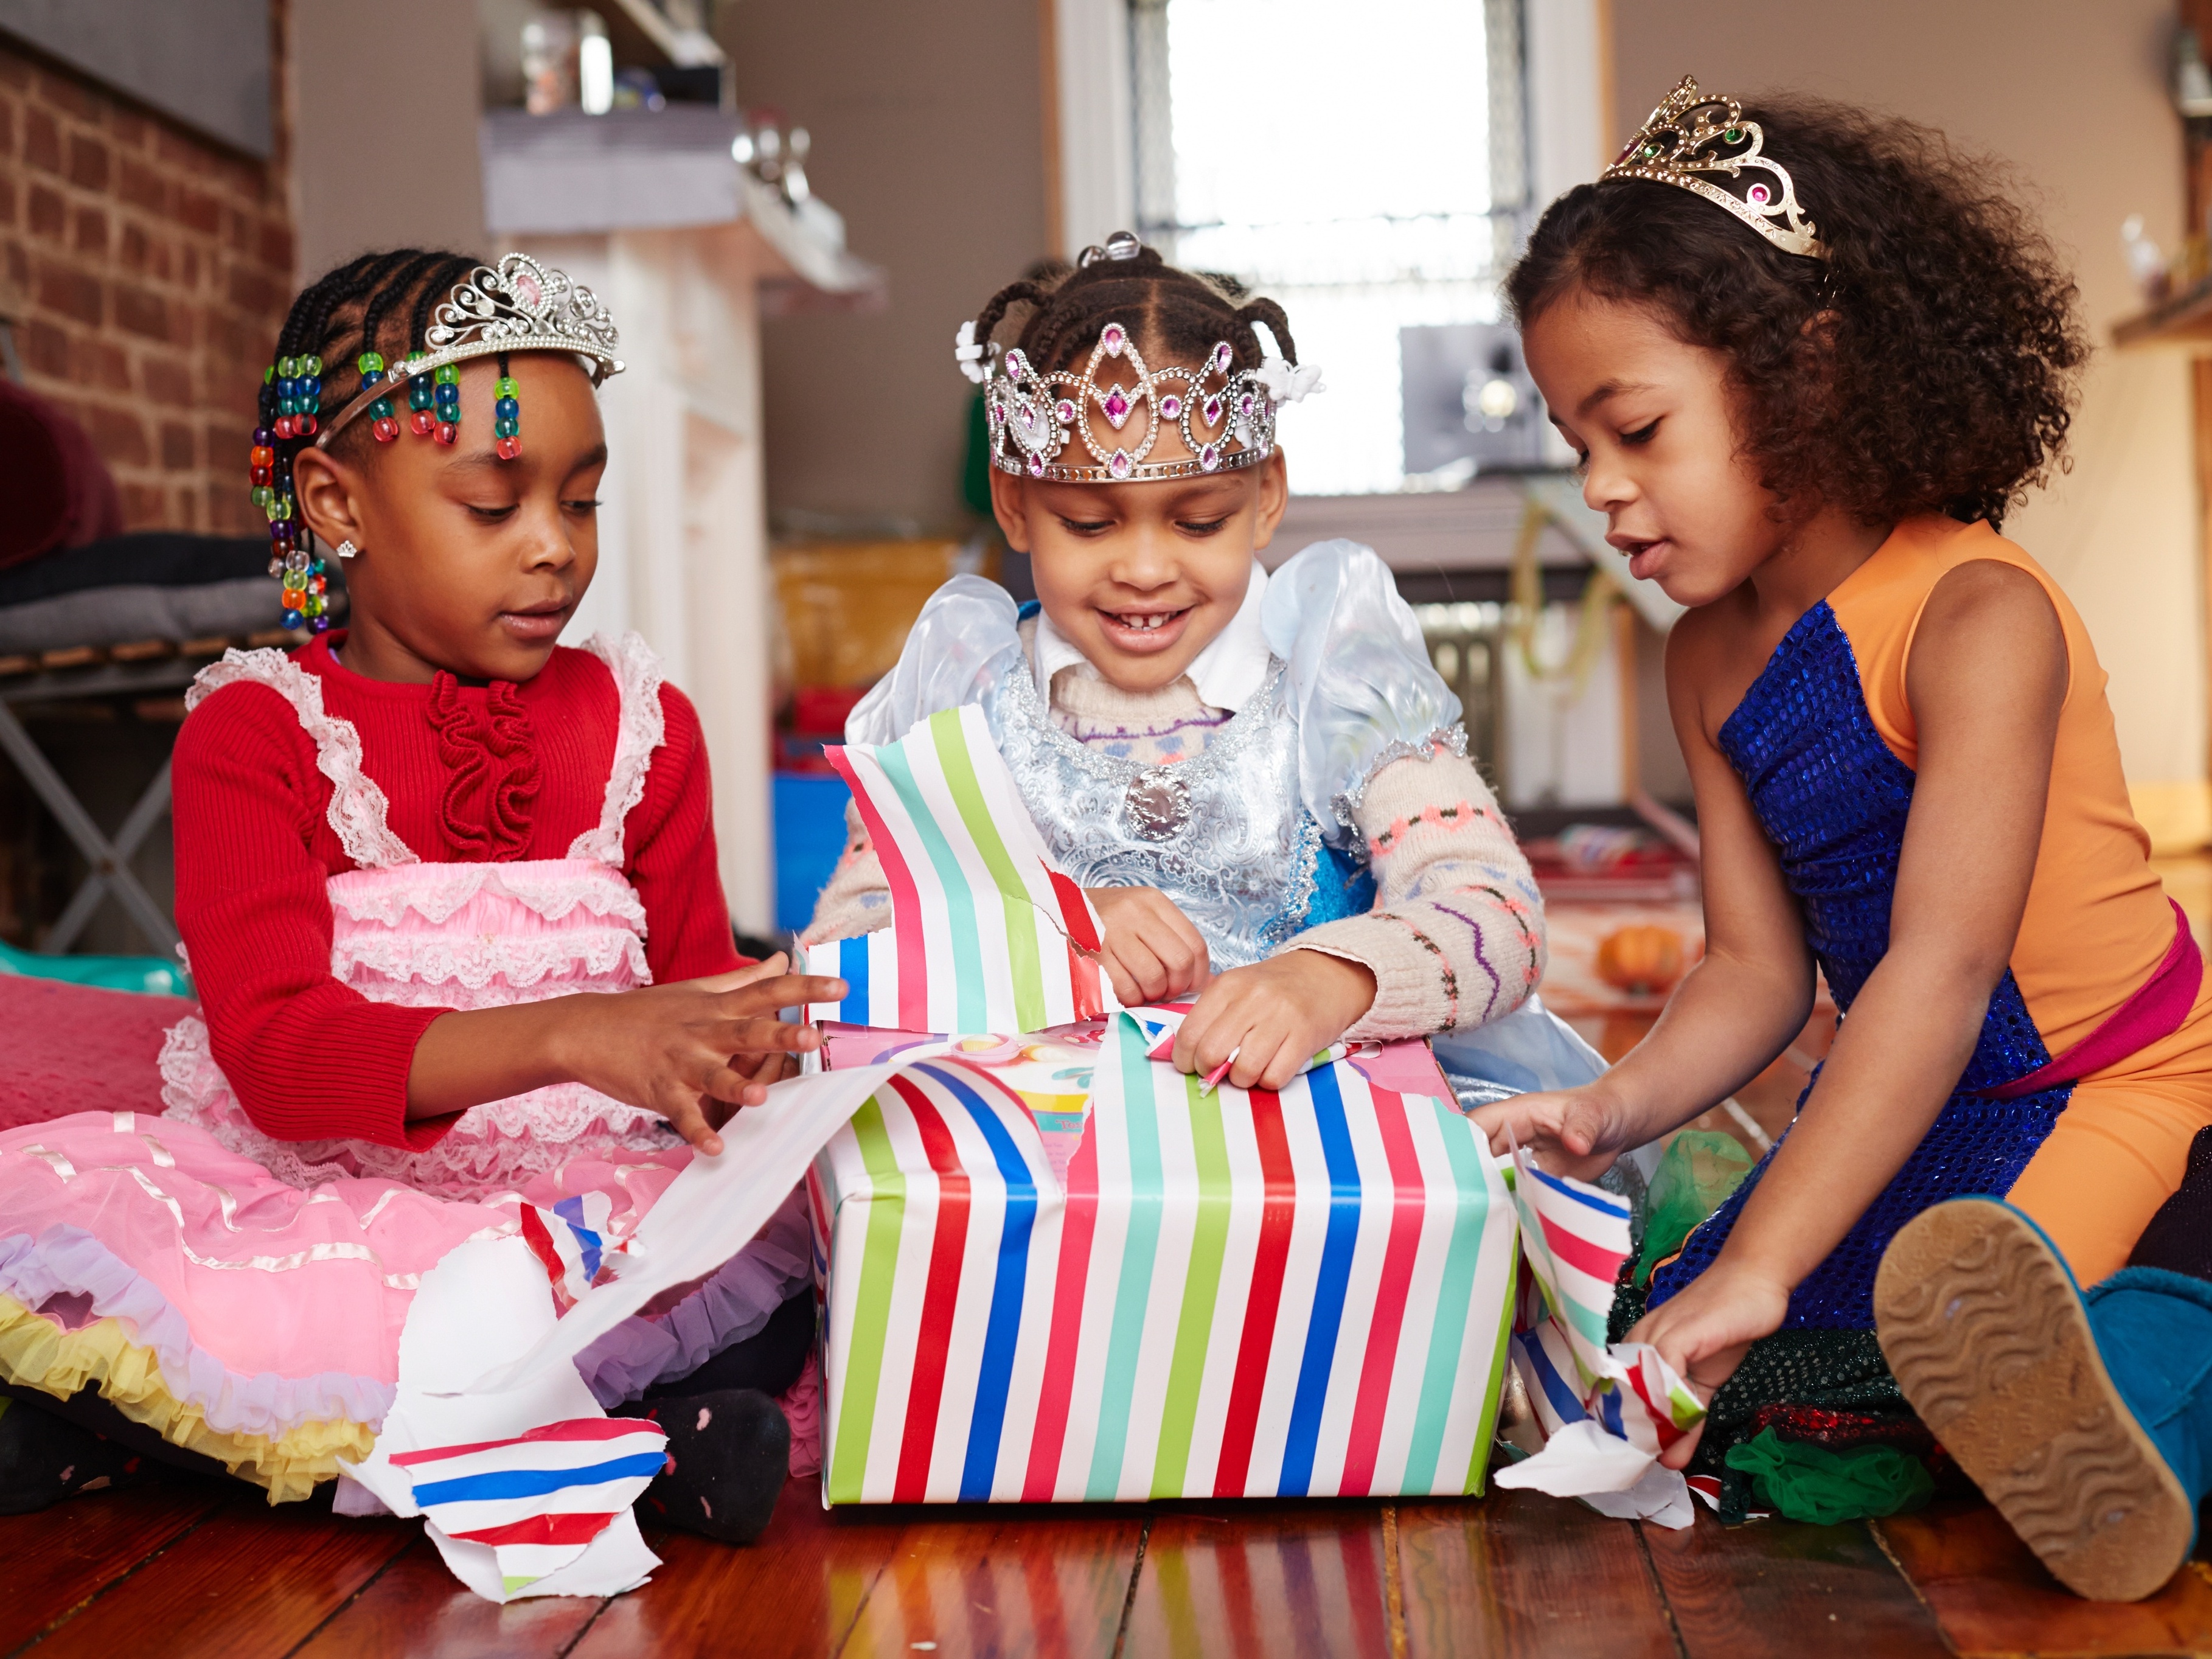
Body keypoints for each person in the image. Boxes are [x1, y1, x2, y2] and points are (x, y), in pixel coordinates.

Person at [1476, 78, 2212, 1599]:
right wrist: (1604, 1111)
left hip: (2110, 1073)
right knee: (1700, 1360)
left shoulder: (1976, 613)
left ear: (1803, 368)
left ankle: (2157, 1388)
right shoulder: (1704, 658)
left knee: (1969, 1362)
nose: (1602, 487)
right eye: (1574, 442)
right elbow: (1754, 969)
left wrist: (1770, 1252)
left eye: (1638, 430)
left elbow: (1940, 975)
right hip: (1916, 1087)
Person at [0, 249, 845, 1545]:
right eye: (493, 503)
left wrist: (786, 1021)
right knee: (228, 1316)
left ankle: (235, 1448)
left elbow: (692, 975)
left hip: (583, 1195)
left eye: (582, 498)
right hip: (326, 1190)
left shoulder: (649, 724)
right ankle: (622, 1455)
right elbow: (280, 1051)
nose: (556, 546)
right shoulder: (254, 732)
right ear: (339, 502)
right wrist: (572, 1029)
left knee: (763, 1270)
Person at [804, 232, 1548, 1088]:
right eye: (1089, 525)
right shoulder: (961, 696)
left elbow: (1503, 918)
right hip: (1042, 1179)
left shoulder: (1333, 680)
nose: (1147, 570)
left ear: (1265, 496)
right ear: (1015, 505)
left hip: (1308, 1168)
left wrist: (1332, 979)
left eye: (1198, 523)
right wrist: (1051, 931)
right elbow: (843, 950)